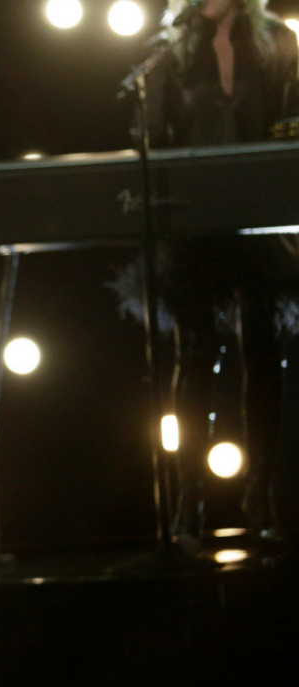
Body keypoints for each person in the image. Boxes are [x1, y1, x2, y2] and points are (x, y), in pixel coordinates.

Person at [123, 0, 299, 544]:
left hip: (258, 219)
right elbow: (152, 138)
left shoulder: (281, 45)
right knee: (195, 355)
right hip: (198, 225)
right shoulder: (171, 54)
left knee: (263, 352)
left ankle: (260, 495)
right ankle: (189, 498)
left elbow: (290, 125)